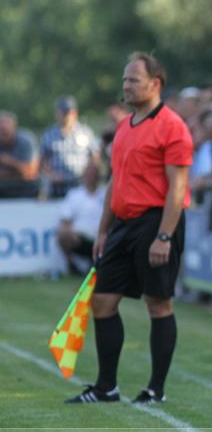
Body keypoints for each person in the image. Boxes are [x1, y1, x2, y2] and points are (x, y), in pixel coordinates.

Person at [65, 52, 193, 405]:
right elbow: (114, 182)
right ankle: (106, 387)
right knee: (102, 301)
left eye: (134, 80)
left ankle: (155, 390)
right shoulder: (124, 127)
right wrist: (103, 230)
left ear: (155, 84)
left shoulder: (173, 127)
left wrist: (164, 236)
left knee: (158, 303)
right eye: (124, 79)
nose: (126, 86)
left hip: (156, 221)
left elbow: (178, 188)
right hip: (122, 224)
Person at [40, 95, 99, 198]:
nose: (66, 116)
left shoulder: (85, 132)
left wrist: (88, 173)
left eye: (69, 112)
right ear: (57, 114)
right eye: (63, 113)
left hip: (81, 186)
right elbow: (42, 163)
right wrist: (52, 175)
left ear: (75, 113)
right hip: (57, 189)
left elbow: (95, 158)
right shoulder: (48, 135)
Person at [56, 159, 105, 276]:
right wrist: (70, 232)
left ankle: (96, 264)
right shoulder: (74, 195)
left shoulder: (105, 194)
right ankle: (72, 266)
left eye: (94, 173)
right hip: (81, 238)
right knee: (63, 236)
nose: (91, 176)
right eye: (88, 172)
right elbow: (65, 221)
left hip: (101, 237)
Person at [0, 110, 39, 198]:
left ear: (14, 127)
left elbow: (30, 173)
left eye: (6, 130)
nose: (3, 133)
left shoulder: (26, 141)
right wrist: (16, 172)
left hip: (24, 191)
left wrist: (8, 161)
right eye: (1, 130)